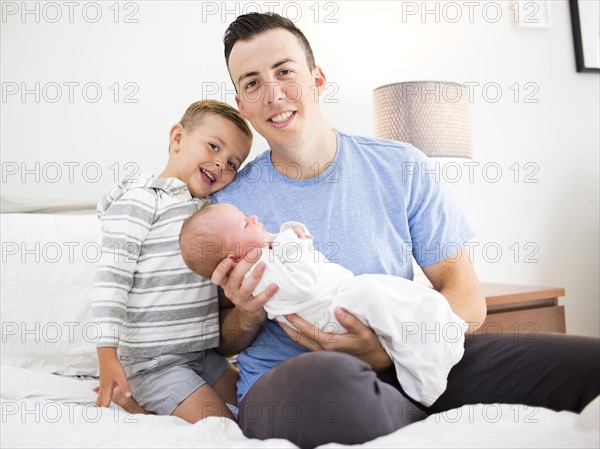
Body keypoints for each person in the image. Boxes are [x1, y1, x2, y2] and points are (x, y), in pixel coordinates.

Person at [208, 12, 600, 448]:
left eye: (285, 72)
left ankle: (407, 406)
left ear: (317, 78)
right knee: (329, 384)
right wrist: (247, 312)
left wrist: (385, 352)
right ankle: (410, 416)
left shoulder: (401, 165)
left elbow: (466, 299)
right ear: (241, 103)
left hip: (409, 353)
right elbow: (220, 339)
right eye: (252, 83)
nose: (274, 95)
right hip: (293, 381)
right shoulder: (227, 207)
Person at [180, 202, 468, 407]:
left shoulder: (265, 256)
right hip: (332, 315)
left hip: (340, 305)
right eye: (245, 223)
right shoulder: (259, 271)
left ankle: (431, 344)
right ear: (232, 258)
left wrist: (288, 236)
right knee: (382, 295)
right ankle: (425, 368)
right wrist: (288, 242)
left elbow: (467, 291)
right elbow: (304, 284)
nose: (253, 218)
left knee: (399, 300)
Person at [91, 99, 253, 424]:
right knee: (220, 427)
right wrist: (107, 356)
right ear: (177, 138)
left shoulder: (210, 212)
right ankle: (134, 400)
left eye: (233, 163)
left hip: (201, 355)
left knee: (255, 408)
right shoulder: (142, 197)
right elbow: (112, 278)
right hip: (154, 363)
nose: (221, 164)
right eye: (213, 146)